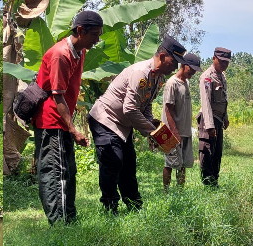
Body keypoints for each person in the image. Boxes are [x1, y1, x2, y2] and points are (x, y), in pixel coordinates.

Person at [88, 35, 187, 214]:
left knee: (128, 164)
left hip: (123, 125)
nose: (175, 67)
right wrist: (151, 131)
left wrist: (150, 124)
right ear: (162, 56)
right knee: (113, 161)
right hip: (105, 119)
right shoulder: (140, 72)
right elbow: (130, 109)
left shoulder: (158, 78)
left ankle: (134, 206)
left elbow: (145, 105)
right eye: (174, 62)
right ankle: (110, 208)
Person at [32, 10, 103, 225]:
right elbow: (57, 96)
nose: (97, 40)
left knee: (68, 171)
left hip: (62, 122)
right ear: (80, 30)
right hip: (51, 122)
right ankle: (59, 226)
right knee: (56, 173)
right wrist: (73, 130)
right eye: (94, 35)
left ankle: (70, 220)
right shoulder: (60, 55)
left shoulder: (79, 52)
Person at [161, 53, 201, 188]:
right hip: (172, 132)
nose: (193, 72)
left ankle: (180, 192)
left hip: (185, 130)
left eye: (195, 70)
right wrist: (174, 132)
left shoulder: (186, 82)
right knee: (170, 163)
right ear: (184, 65)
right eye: (192, 69)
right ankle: (166, 192)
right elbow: (168, 109)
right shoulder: (172, 83)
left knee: (183, 163)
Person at [198, 47, 231, 187]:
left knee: (217, 152)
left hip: (219, 119)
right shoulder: (207, 76)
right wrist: (210, 126)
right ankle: (207, 183)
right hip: (208, 119)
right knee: (207, 151)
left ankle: (214, 182)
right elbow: (206, 102)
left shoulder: (222, 76)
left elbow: (224, 98)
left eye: (227, 62)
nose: (224, 64)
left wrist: (225, 117)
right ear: (214, 58)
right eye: (221, 61)